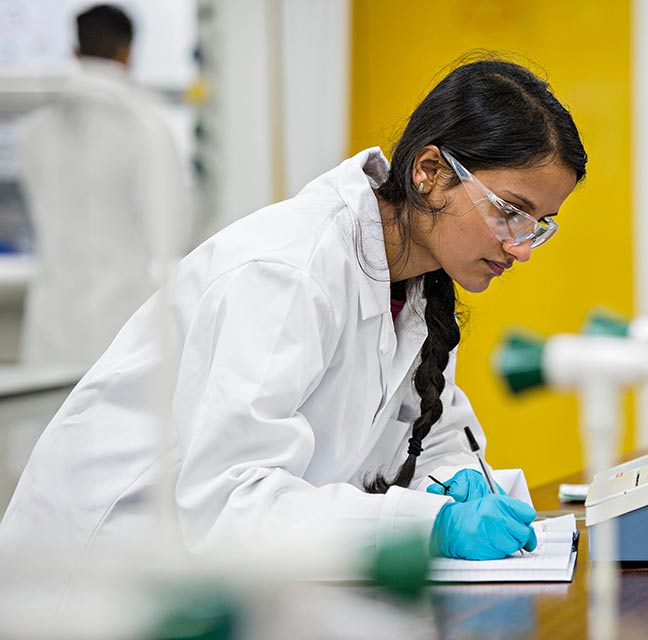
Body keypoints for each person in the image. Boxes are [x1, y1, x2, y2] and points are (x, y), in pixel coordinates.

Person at [0, 57, 587, 586]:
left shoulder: (419, 287)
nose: (523, 247)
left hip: (207, 584)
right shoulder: (289, 273)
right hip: (93, 581)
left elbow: (429, 441)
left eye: (540, 224)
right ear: (429, 171)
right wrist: (429, 524)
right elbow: (232, 508)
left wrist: (458, 479)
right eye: (512, 212)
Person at [17, 4, 191, 368]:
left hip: (52, 314)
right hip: (121, 314)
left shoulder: (36, 125)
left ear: (75, 51)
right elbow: (170, 231)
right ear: (128, 52)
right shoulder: (145, 123)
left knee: (47, 418)